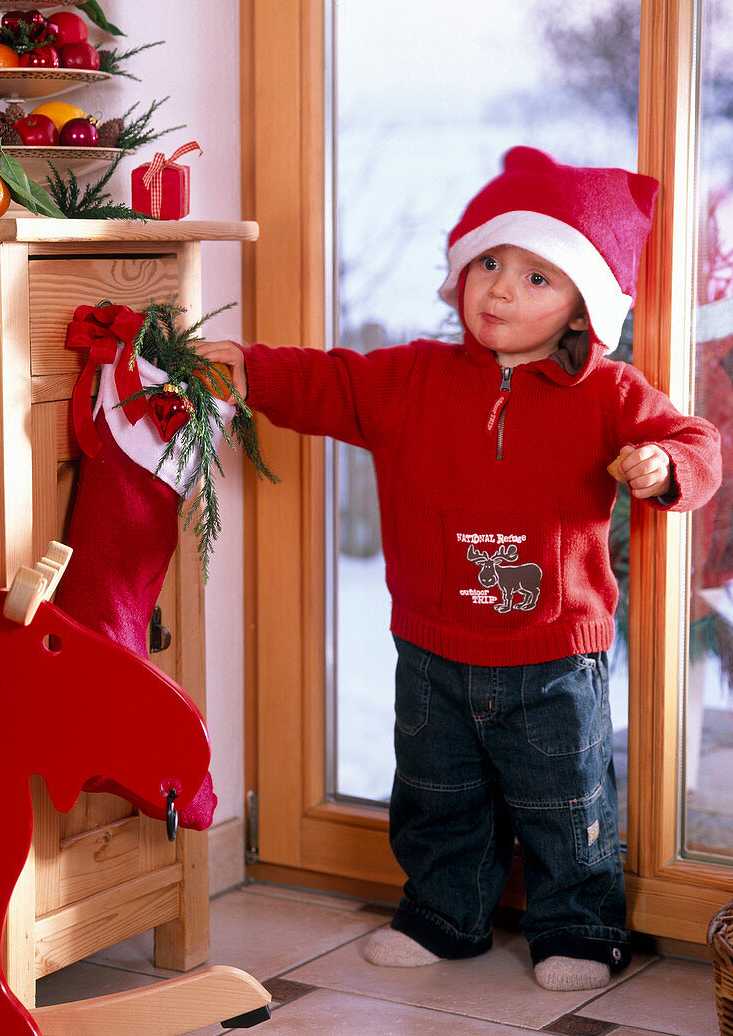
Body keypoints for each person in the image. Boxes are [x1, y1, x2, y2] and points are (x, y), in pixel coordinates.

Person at [196, 147, 723, 991]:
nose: (502, 290)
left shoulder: (608, 392)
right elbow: (329, 382)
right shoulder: (412, 377)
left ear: (584, 304)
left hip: (553, 653)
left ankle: (578, 928)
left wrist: (664, 467)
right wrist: (250, 368)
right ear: (460, 273)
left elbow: (699, 442)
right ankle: (444, 916)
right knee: (437, 795)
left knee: (567, 803)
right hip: (432, 646)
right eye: (488, 263)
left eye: (537, 278)